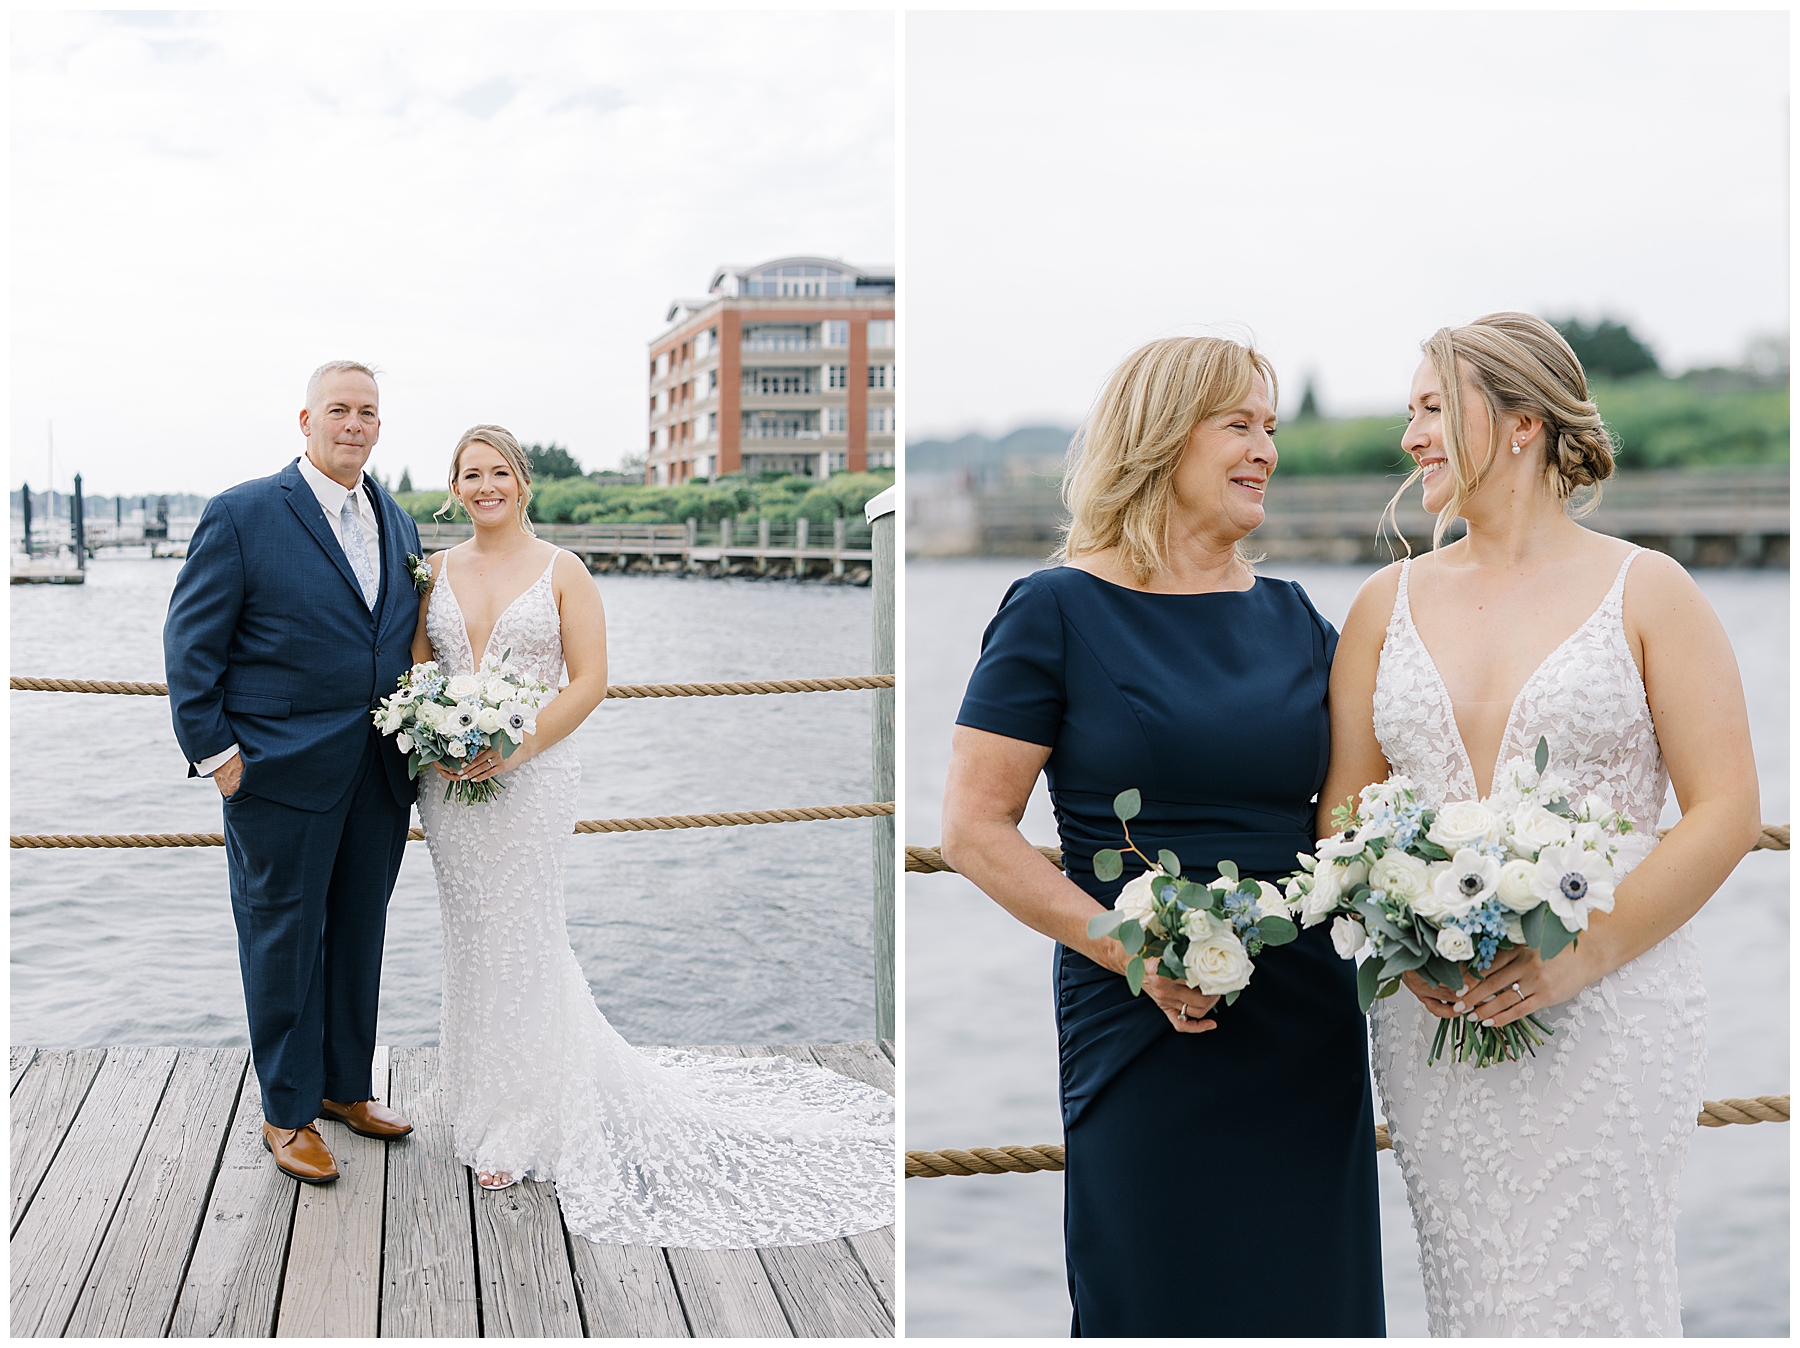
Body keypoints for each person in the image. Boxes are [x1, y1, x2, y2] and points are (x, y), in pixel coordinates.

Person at [1322, 312, 1762, 1335]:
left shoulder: (1649, 591)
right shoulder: (1382, 605)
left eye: (1432, 409)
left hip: (1610, 1009)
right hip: (1431, 1014)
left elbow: (1728, 809)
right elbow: (1343, 812)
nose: (1411, 437)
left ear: (1519, 422)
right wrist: (1400, 943)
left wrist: (1579, 956)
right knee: (1472, 1289)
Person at [940, 337, 1385, 1336]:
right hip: (1143, 1020)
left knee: (1313, 1302)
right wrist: (1127, 947)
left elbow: (1351, 819)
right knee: (1153, 1294)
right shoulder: (1053, 609)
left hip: (1305, 1024)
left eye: (1271, 426)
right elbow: (973, 830)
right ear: (1162, 435)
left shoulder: (1297, 617)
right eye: (1240, 423)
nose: (1266, 447)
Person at [409, 424, 892, 1247]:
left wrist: (512, 747)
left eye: (498, 472)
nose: (485, 485)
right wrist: (442, 732)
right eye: (469, 474)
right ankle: (475, 1091)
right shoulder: (436, 570)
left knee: (525, 932)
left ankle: (527, 1116)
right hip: (448, 783)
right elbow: (423, 662)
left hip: (532, 775)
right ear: (454, 488)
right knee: (471, 934)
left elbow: (591, 678)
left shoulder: (565, 570)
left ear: (524, 483)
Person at [165, 361, 422, 1184]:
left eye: (368, 412)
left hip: (380, 773)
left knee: (359, 933)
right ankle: (287, 1112)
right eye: (339, 410)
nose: (354, 424)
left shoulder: (400, 520)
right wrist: (222, 760)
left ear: (380, 427)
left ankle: (346, 1087)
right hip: (276, 777)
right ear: (305, 419)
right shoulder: (243, 514)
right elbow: (190, 647)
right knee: (281, 941)